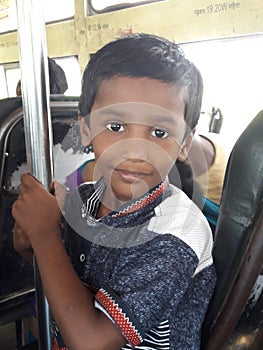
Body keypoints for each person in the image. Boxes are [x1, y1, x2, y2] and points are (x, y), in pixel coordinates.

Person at [12, 33, 216, 350]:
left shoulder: (177, 232)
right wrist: (31, 240)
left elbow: (94, 343)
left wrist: (44, 236)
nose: (135, 151)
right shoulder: (83, 201)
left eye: (159, 132)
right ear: (85, 130)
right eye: (116, 127)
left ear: (184, 144)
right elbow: (55, 268)